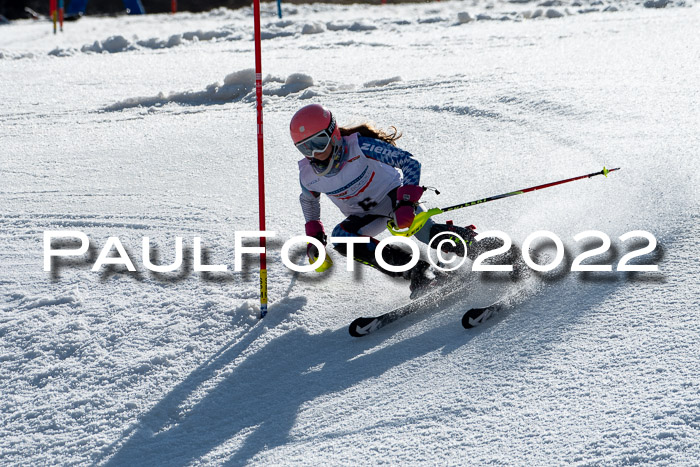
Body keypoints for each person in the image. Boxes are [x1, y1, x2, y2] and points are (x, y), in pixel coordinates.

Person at [291, 103, 483, 297]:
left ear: (333, 134)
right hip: (365, 215)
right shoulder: (308, 176)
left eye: (319, 143)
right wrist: (314, 235)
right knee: (342, 238)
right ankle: (419, 272)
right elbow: (309, 201)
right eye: (305, 148)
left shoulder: (360, 146)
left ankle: (479, 247)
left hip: (395, 199)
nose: (314, 154)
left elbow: (409, 163)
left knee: (426, 233)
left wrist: (407, 203)